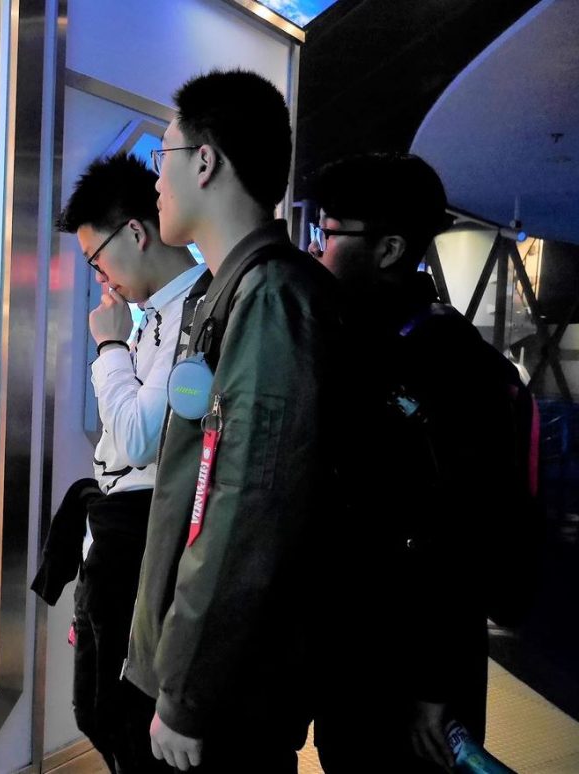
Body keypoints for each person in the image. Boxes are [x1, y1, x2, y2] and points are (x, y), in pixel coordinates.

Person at [123, 69, 343, 772]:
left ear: (206, 161)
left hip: (229, 697)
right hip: (208, 679)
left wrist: (186, 692)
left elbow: (247, 510)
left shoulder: (271, 299)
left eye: (164, 157)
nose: (157, 180)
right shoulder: (232, 292)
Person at [308, 153, 508, 773]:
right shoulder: (360, 340)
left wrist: (434, 687)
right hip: (359, 653)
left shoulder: (448, 360)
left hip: (415, 673)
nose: (318, 249)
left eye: (329, 233)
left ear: (389, 248)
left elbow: (465, 526)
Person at [32, 152, 208, 773]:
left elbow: (137, 438)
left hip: (145, 538)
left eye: (96, 258)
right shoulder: (154, 315)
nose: (101, 277)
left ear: (134, 232)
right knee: (96, 711)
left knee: (122, 718)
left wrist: (108, 343)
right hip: (115, 527)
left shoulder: (196, 313)